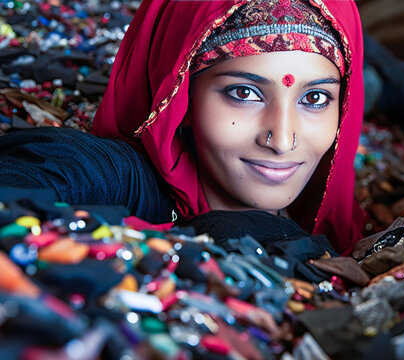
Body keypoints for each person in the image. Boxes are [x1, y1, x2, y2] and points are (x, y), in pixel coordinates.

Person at [0, 0, 365, 255]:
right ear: (180, 97)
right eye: (244, 92)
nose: (282, 140)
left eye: (315, 99)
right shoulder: (114, 179)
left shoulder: (346, 226)